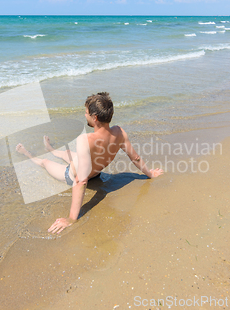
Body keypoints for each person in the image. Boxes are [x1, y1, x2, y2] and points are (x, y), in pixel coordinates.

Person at [16, 92, 163, 234]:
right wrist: (150, 174)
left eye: (86, 112)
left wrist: (71, 219)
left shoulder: (85, 140)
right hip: (95, 171)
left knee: (46, 162)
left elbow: (80, 181)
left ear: (95, 117)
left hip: (71, 174)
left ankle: (27, 153)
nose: (85, 115)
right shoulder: (119, 132)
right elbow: (135, 157)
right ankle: (51, 149)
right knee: (67, 154)